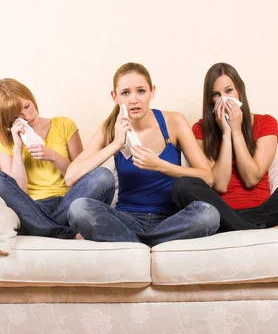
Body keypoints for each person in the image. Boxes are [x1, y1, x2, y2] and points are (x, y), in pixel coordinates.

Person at [64, 63, 220, 246]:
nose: (133, 99)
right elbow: (70, 177)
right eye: (125, 93)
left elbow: (207, 177)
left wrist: (160, 165)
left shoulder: (174, 122)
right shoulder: (110, 129)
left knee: (209, 214)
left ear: (152, 92)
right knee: (79, 208)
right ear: (114, 97)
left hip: (170, 219)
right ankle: (152, 243)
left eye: (140, 91)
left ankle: (133, 244)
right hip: (126, 219)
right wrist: (116, 144)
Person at [172, 63, 278, 232]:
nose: (224, 99)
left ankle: (239, 226)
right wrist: (226, 134)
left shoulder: (266, 123)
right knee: (183, 186)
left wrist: (237, 132)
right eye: (216, 95)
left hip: (261, 210)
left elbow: (251, 179)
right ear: (210, 101)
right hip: (220, 211)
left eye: (229, 91)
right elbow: (220, 185)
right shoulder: (200, 129)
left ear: (239, 91)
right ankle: (256, 230)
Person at [0, 78, 115, 239]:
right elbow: (18, 190)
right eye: (18, 116)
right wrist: (17, 148)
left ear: (31, 99)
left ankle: (44, 230)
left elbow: (80, 175)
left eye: (27, 106)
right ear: (9, 120)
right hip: (33, 208)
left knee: (103, 175)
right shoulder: (4, 140)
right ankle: (61, 233)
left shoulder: (64, 125)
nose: (28, 116)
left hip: (70, 203)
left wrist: (52, 156)